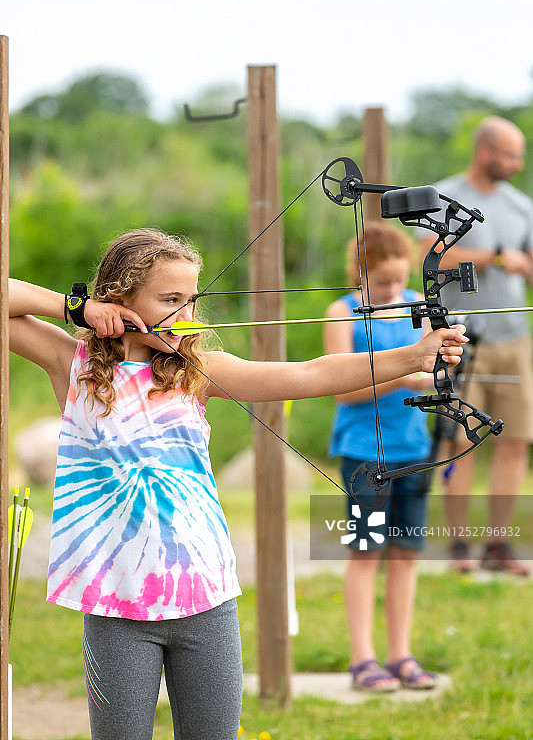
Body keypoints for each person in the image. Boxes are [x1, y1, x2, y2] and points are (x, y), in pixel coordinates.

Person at [9, 228, 466, 739]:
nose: (185, 316)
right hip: (117, 606)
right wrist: (77, 308)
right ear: (119, 301)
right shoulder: (73, 366)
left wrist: (412, 357)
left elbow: (311, 374)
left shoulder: (195, 372)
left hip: (207, 599)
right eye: (169, 300)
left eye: (191, 301)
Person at [324, 224, 437, 692]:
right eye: (383, 283)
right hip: (364, 456)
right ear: (359, 273)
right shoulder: (341, 312)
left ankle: (401, 655)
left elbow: (434, 372)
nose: (393, 291)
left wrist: (432, 376)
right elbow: (341, 387)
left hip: (414, 451)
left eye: (399, 281)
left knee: (406, 555)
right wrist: (405, 373)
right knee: (367, 553)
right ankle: (363, 659)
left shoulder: (419, 307)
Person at [419, 116, 533, 576]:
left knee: (516, 442)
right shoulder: (443, 196)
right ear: (486, 153)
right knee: (458, 441)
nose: (518, 164)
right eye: (510, 154)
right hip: (458, 339)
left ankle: (499, 547)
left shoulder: (521, 205)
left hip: (514, 339)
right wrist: (496, 258)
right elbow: (429, 252)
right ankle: (458, 547)